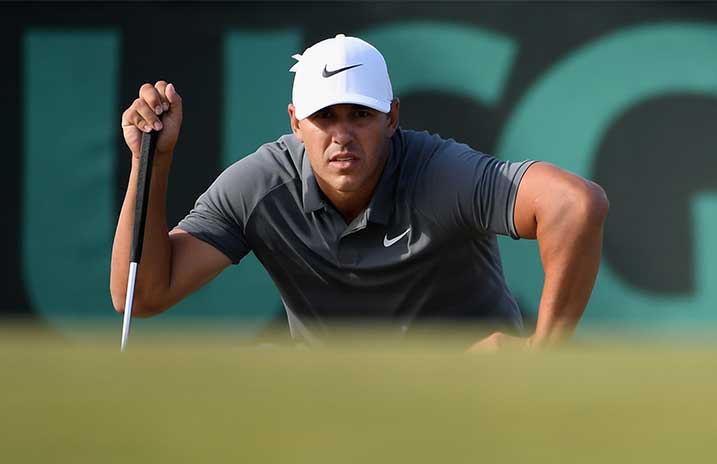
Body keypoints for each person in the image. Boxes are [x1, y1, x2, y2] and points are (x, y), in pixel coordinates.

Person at [110, 34, 606, 350]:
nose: (341, 135)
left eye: (360, 115)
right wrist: (152, 160)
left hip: (469, 394)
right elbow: (143, 295)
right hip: (335, 414)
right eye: (324, 117)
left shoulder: (440, 172)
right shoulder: (262, 184)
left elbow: (575, 204)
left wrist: (544, 357)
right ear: (295, 123)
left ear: (391, 118)